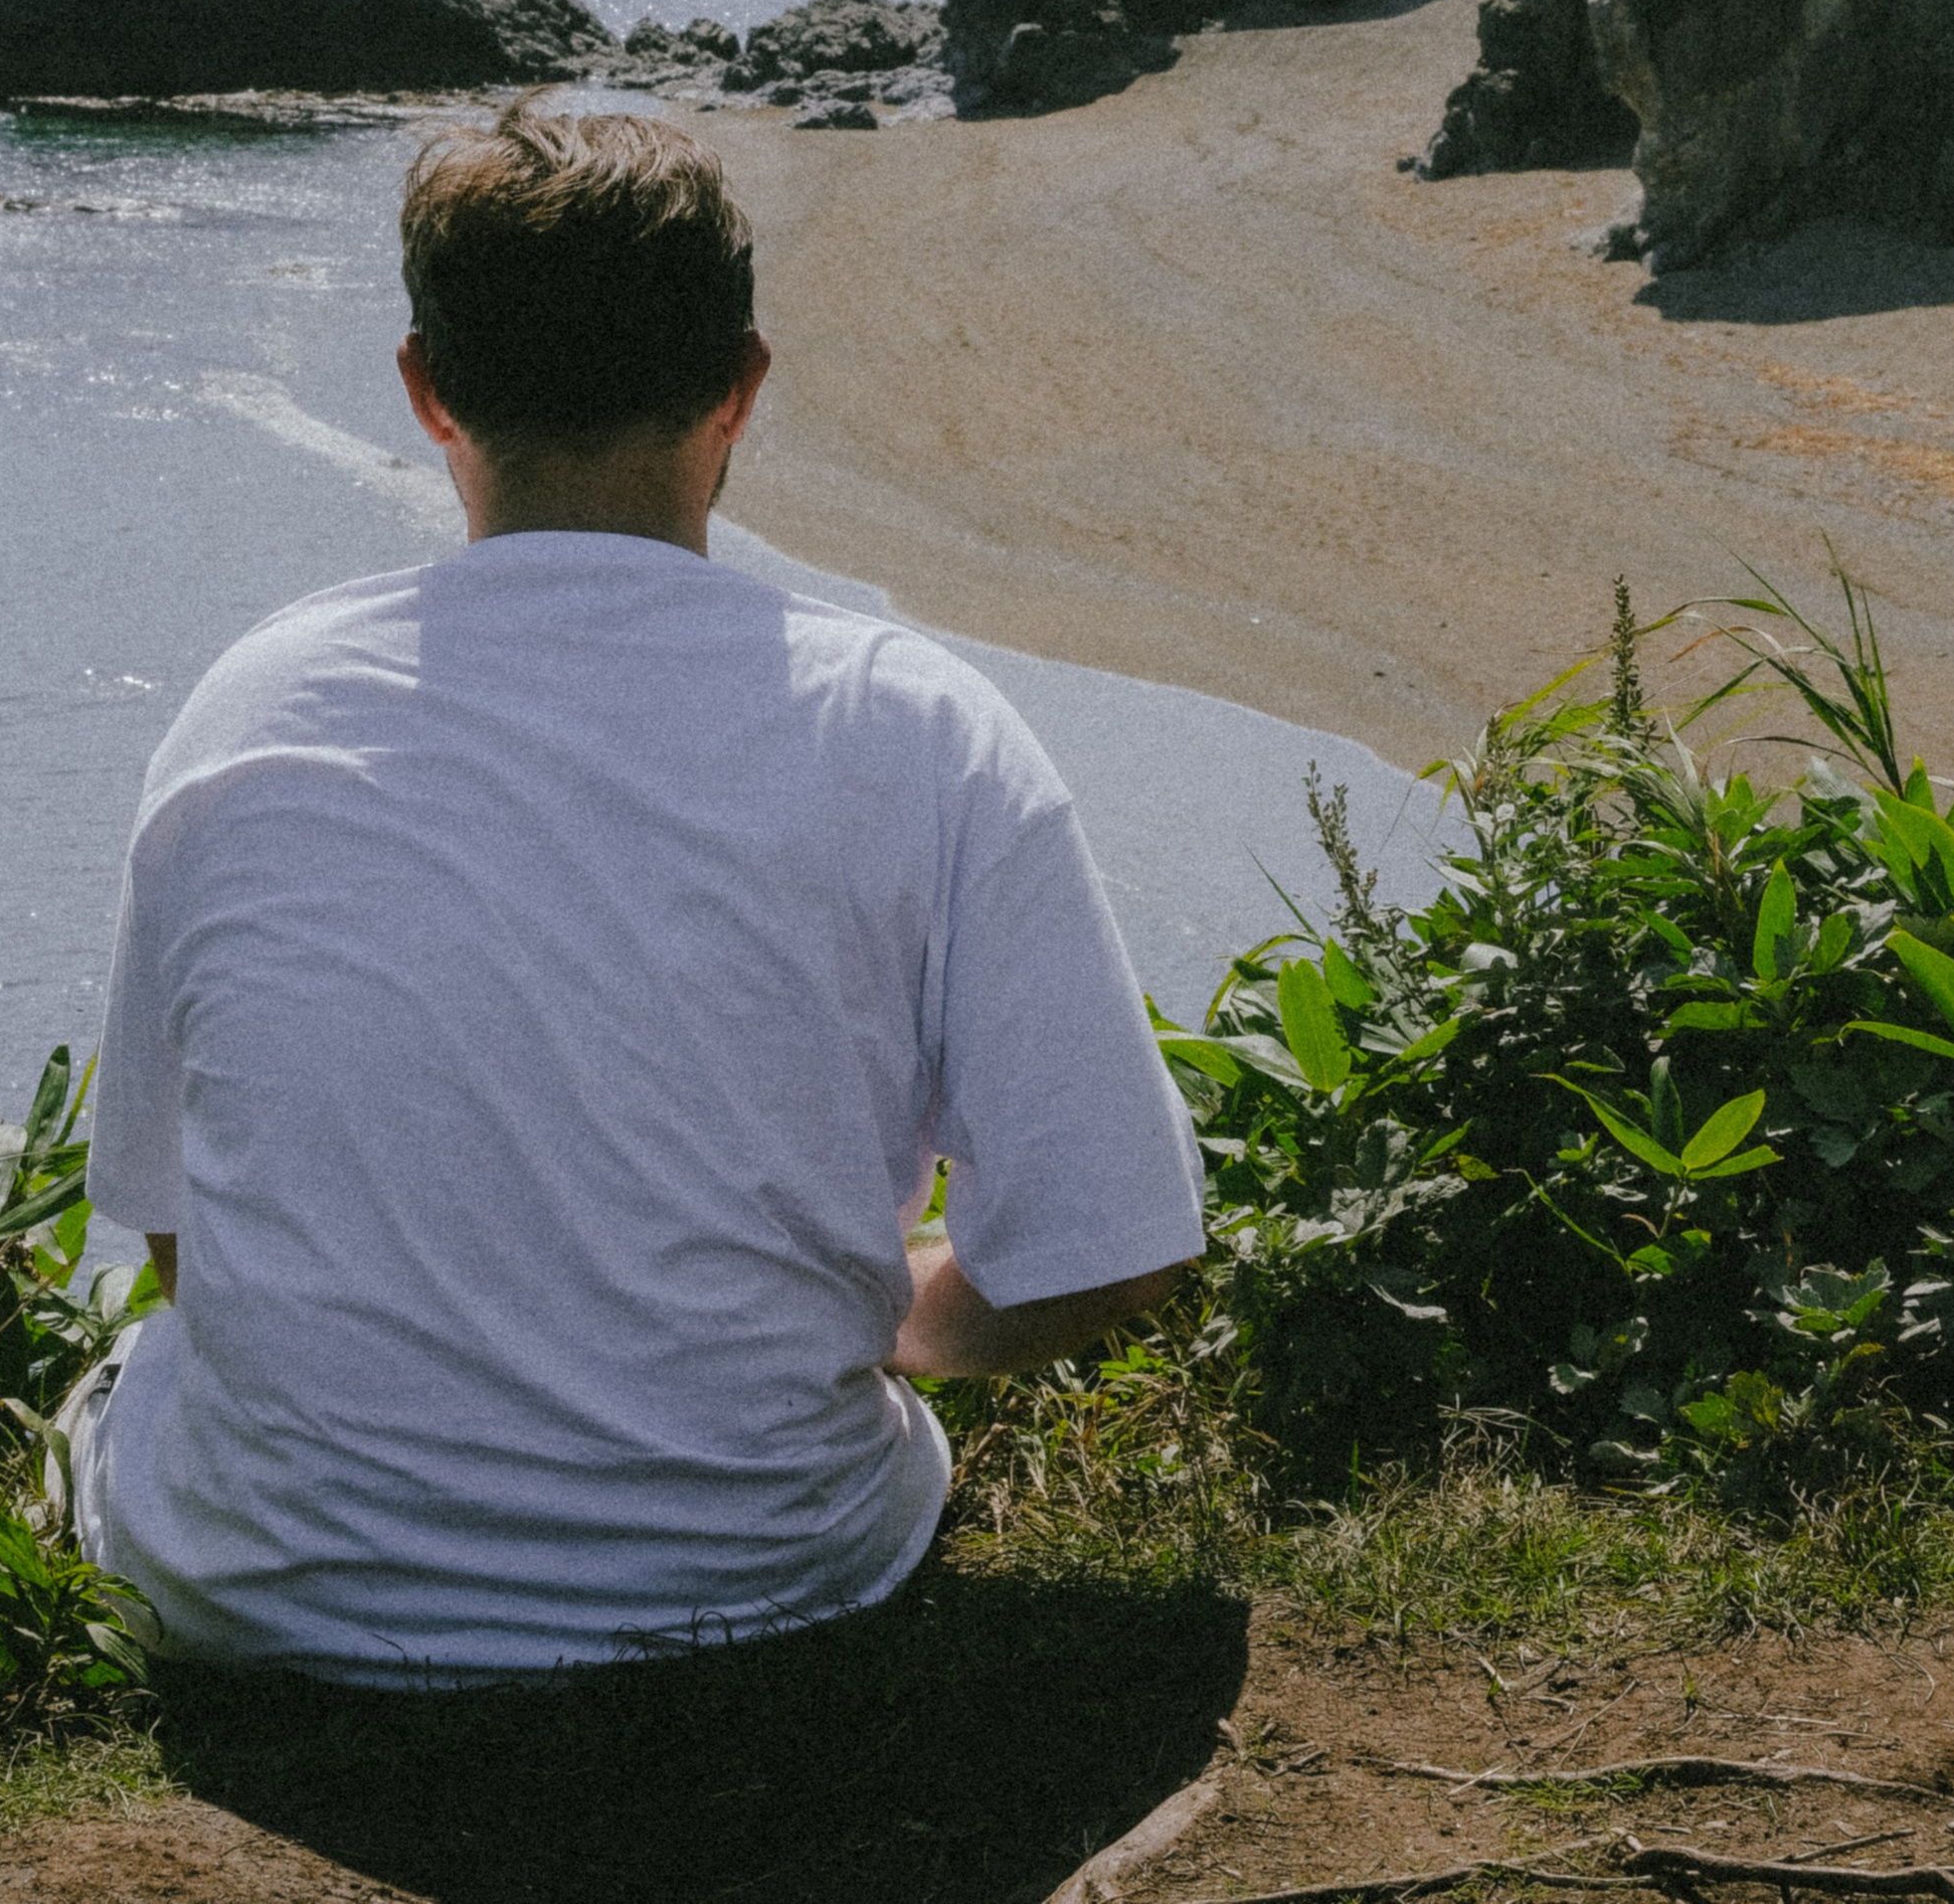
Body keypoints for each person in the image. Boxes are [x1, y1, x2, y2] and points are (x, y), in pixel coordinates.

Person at [71, 100, 1202, 1686]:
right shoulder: (918, 729)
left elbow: (180, 1245)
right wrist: (904, 1321)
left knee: (123, 1388)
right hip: (773, 1573)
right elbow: (1115, 1253)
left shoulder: (253, 709)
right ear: (740, 387)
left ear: (425, 390)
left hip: (281, 1596)